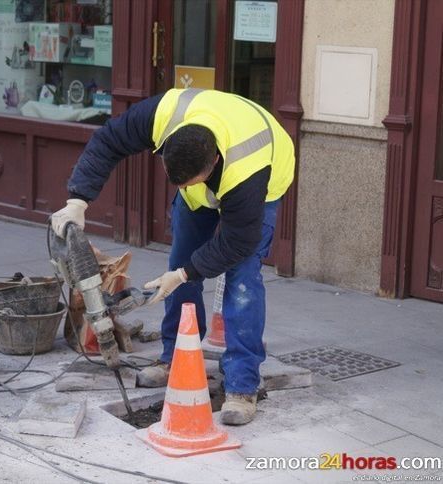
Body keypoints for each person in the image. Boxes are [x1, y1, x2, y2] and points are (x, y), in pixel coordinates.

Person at [51, 88, 295, 425]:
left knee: (242, 280)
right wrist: (77, 201)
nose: (179, 188)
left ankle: (241, 385)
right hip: (209, 178)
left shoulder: (245, 172)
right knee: (180, 258)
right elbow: (108, 140)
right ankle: (177, 359)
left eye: (188, 182)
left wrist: (184, 274)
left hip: (264, 178)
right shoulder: (164, 115)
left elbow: (236, 243)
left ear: (212, 165)